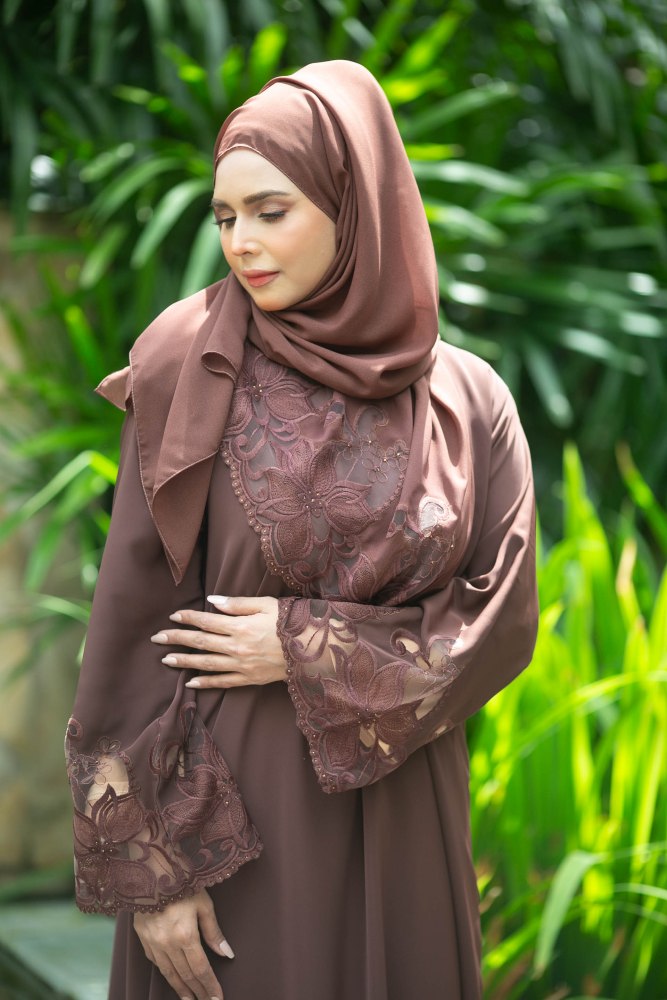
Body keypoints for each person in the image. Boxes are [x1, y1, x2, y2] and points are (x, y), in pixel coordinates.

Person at [65, 60, 538, 1000]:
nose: (240, 242)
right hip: (226, 826)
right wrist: (156, 870)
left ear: (352, 203)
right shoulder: (187, 363)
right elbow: (129, 628)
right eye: (224, 217)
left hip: (405, 809)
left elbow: (500, 619)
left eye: (270, 211)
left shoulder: (466, 399)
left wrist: (304, 645)